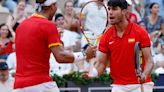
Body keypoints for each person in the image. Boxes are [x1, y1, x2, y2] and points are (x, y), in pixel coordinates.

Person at [13, 0, 96, 92]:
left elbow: (35, 47)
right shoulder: (49, 26)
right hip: (41, 84)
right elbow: (61, 57)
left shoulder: (21, 26)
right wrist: (85, 54)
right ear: (52, 6)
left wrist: (55, 38)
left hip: (19, 86)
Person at [83, 0, 154, 92]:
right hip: (119, 85)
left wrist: (144, 74)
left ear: (124, 11)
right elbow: (101, 64)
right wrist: (92, 73)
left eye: (114, 9)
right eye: (109, 9)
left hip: (140, 84)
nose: (110, 12)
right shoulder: (106, 36)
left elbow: (149, 61)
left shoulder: (140, 32)